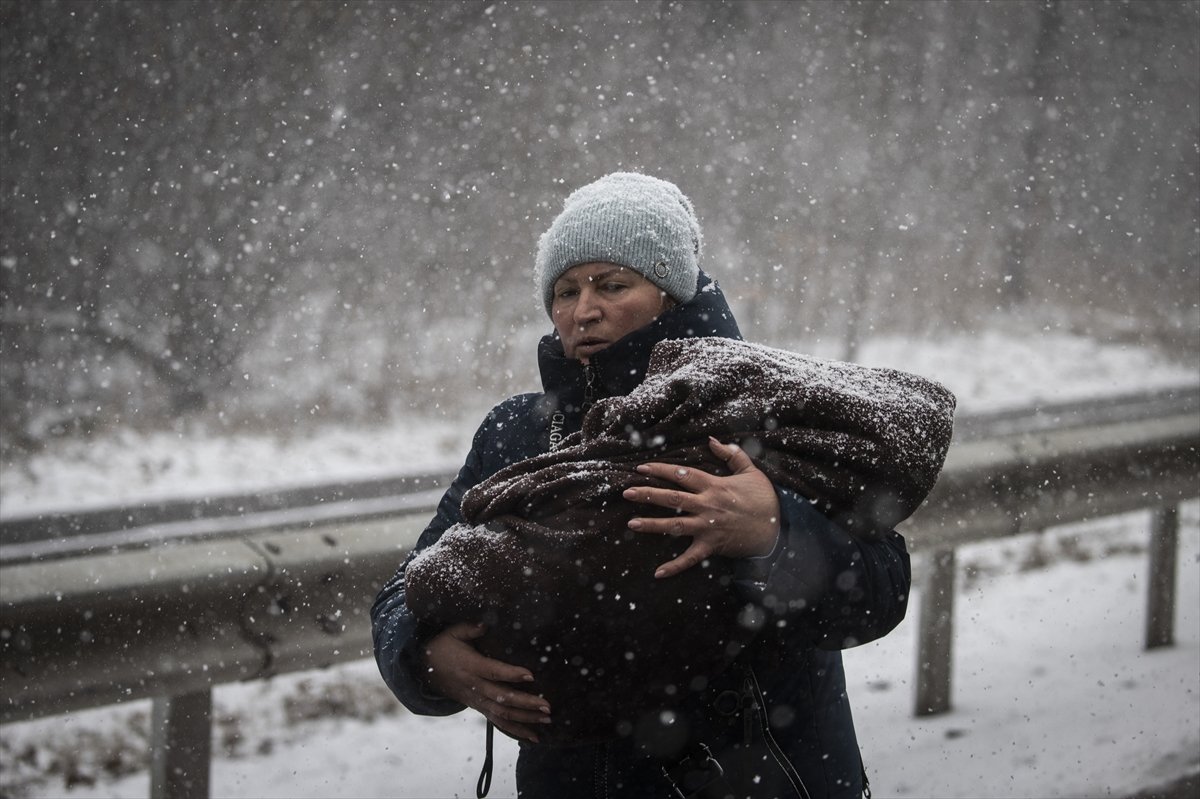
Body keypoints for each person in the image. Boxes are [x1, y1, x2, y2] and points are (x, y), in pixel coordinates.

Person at [372, 172, 918, 799]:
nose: (584, 309)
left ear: (672, 293)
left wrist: (773, 530)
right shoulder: (517, 433)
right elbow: (402, 591)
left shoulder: (758, 404)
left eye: (613, 284)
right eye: (566, 290)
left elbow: (882, 587)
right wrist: (428, 659)